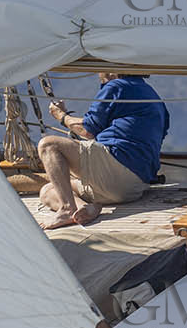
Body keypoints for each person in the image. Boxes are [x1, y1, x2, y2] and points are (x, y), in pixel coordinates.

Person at [37, 72, 169, 230]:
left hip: (116, 168)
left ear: (112, 67)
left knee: (49, 145)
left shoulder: (117, 86)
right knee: (47, 191)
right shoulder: (152, 95)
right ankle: (83, 208)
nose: (97, 71)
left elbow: (87, 130)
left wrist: (61, 116)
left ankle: (67, 208)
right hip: (133, 187)